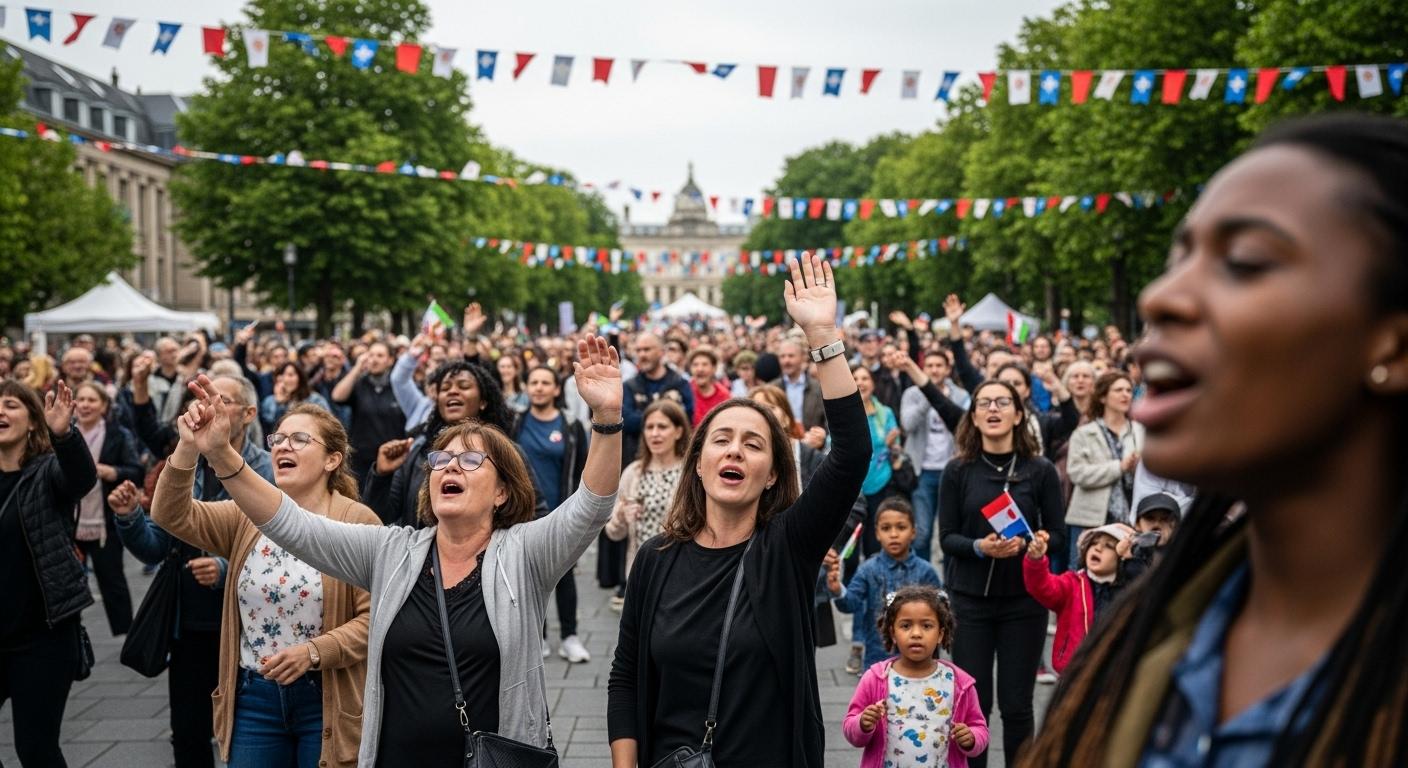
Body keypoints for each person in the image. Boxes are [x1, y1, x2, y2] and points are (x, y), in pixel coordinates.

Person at [1027, 114, 1408, 766]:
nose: (1161, 296)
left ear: (1393, 344)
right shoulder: (1138, 640)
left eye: (1245, 262)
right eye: (1179, 259)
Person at [171, 334, 622, 766]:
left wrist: (606, 417)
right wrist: (223, 457)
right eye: (440, 460)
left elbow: (591, 507)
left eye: (469, 460)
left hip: (491, 760)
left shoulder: (524, 554)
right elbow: (292, 525)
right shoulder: (392, 551)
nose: (449, 466)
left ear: (502, 490)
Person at [608, 252, 869, 767]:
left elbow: (853, 453)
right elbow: (626, 674)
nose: (734, 451)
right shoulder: (658, 559)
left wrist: (822, 335)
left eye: (753, 444)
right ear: (698, 463)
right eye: (721, 439)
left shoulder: (788, 548)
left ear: (772, 473)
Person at [140, 405, 376, 768]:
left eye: (299, 439)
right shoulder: (247, 515)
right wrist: (188, 445)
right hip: (254, 696)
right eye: (278, 439)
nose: (283, 446)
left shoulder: (357, 521)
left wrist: (313, 651)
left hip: (327, 697)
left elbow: (374, 617)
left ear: (332, 459)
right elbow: (171, 514)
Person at [120, 372, 274, 768]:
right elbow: (155, 544)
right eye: (204, 398)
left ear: (248, 413)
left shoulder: (267, 470)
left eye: (222, 399)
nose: (210, 406)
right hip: (188, 625)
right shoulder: (183, 464)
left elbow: (283, 544)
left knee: (249, 733)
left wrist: (224, 567)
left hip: (247, 624)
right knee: (188, 734)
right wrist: (129, 518)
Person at [937, 379, 1065, 768]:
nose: (993, 409)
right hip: (970, 601)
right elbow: (947, 539)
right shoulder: (957, 471)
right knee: (973, 709)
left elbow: (1058, 534)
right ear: (973, 416)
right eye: (984, 403)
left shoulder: (1040, 470)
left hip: (1024, 602)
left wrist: (1039, 544)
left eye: (1002, 402)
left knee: (1017, 705)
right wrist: (981, 547)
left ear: (1018, 414)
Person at [0, 381, 95, 767]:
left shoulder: (45, 473)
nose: (0, 412)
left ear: (32, 420)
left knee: (36, 749)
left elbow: (80, 479)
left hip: (41, 637)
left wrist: (65, 435)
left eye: (10, 405)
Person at [365, 360, 525, 529]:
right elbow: (379, 517)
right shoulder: (418, 452)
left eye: (463, 386)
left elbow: (531, 512)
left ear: (483, 401)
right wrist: (381, 476)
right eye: (445, 388)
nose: (453, 391)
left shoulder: (506, 453)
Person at [843, 585, 988, 767]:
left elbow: (980, 728)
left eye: (927, 626)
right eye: (906, 626)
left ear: (940, 634)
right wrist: (862, 723)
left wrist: (972, 738)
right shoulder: (875, 678)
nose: (916, 634)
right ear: (892, 633)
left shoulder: (959, 683)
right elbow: (851, 729)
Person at [510, 365, 591, 663]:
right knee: (528, 576)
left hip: (561, 512)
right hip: (521, 515)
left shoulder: (570, 425)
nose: (540, 387)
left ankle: (570, 636)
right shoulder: (515, 422)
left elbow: (584, 468)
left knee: (564, 574)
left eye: (546, 382)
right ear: (527, 387)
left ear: (557, 389)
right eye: (534, 382)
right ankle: (538, 636)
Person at [826, 497, 943, 670]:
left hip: (920, 663)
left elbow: (941, 614)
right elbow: (850, 603)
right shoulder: (868, 570)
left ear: (913, 532)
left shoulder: (926, 571)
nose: (894, 534)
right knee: (878, 698)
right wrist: (837, 590)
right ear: (877, 533)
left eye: (901, 527)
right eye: (886, 528)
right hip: (878, 661)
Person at [71, 382, 143, 637]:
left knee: (112, 579)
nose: (86, 405)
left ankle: (126, 635)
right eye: (81, 399)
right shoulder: (65, 434)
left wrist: (112, 472)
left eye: (92, 400)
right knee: (69, 583)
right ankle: (70, 633)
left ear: (103, 406)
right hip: (70, 523)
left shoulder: (118, 434)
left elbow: (135, 471)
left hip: (105, 522)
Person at [603, 400, 690, 603]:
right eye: (649, 427)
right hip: (640, 571)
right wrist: (621, 516)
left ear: (678, 432)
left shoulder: (690, 473)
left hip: (681, 570)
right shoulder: (633, 473)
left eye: (662, 427)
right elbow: (613, 533)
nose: (654, 433)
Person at [1022, 523, 1135, 674]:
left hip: (1112, 672)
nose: (1098, 548)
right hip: (1073, 670)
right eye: (1093, 543)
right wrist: (1036, 560)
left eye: (1109, 546)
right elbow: (1042, 587)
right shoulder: (1073, 583)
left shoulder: (1129, 588)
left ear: (1122, 557)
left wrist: (1133, 561)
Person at [1064, 372, 1145, 566]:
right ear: (1102, 397)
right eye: (1118, 390)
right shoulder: (1084, 433)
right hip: (1089, 518)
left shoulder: (1140, 431)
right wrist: (1119, 467)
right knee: (1082, 574)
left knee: (1126, 575)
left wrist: (1138, 467)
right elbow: (1077, 473)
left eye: (1128, 390)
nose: (1125, 395)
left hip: (1131, 519)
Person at [900, 350, 970, 564]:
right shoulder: (912, 394)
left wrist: (946, 403)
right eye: (929, 366)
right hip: (922, 472)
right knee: (921, 533)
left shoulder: (961, 395)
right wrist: (930, 397)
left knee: (950, 532)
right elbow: (907, 424)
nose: (934, 370)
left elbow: (966, 429)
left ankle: (949, 582)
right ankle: (923, 581)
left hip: (952, 471)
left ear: (948, 369)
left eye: (939, 365)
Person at [330, 341, 404, 482]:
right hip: (362, 462)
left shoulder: (399, 386)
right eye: (371, 355)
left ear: (390, 360)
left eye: (380, 355)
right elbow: (337, 396)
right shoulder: (359, 384)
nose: (374, 359)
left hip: (394, 458)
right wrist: (357, 368)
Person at [258, 362, 331, 435]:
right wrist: (280, 404)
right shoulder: (269, 401)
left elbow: (326, 425)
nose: (286, 379)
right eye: (282, 376)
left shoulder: (315, 400)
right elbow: (270, 432)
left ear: (300, 377)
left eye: (290, 375)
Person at [772, 338, 827, 433]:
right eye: (782, 356)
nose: (786, 361)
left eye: (791, 356)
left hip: (811, 444)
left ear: (802, 358)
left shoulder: (818, 388)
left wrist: (821, 437)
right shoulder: (772, 389)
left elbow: (827, 421)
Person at [686, 347, 731, 426]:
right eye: (695, 365)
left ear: (714, 368)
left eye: (705, 364)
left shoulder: (724, 396)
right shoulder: (684, 390)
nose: (700, 369)